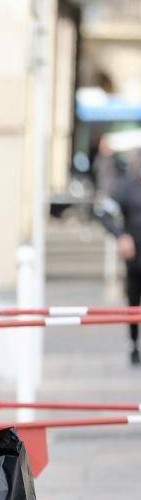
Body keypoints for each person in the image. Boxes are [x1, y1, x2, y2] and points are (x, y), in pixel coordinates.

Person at [109, 152, 141, 365]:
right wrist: (120, 236)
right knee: (133, 302)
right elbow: (102, 211)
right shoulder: (127, 188)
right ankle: (133, 345)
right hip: (136, 260)